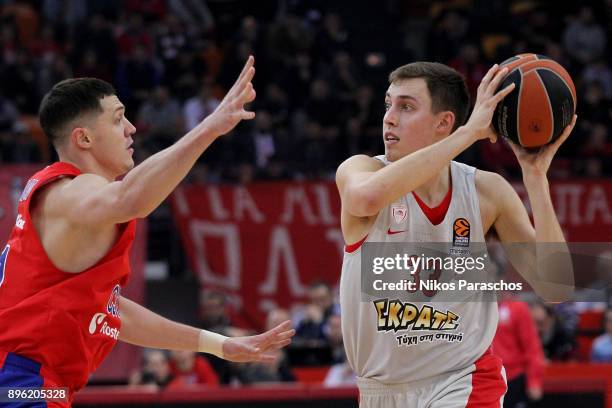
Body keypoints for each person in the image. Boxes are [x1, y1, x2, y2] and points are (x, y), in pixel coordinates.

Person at [0, 56, 295, 407]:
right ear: (84, 138)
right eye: (118, 118)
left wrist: (219, 345)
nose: (131, 128)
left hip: (32, 384)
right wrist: (211, 127)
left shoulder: (75, 207)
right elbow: (131, 198)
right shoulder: (67, 192)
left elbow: (113, 312)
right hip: (21, 382)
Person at [336, 62, 577, 407]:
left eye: (406, 107)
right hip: (381, 390)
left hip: (464, 379)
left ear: (444, 122)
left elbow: (556, 286)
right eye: (388, 105)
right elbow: (366, 198)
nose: (389, 117)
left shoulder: (486, 191)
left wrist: (536, 178)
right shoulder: (360, 170)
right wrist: (469, 134)